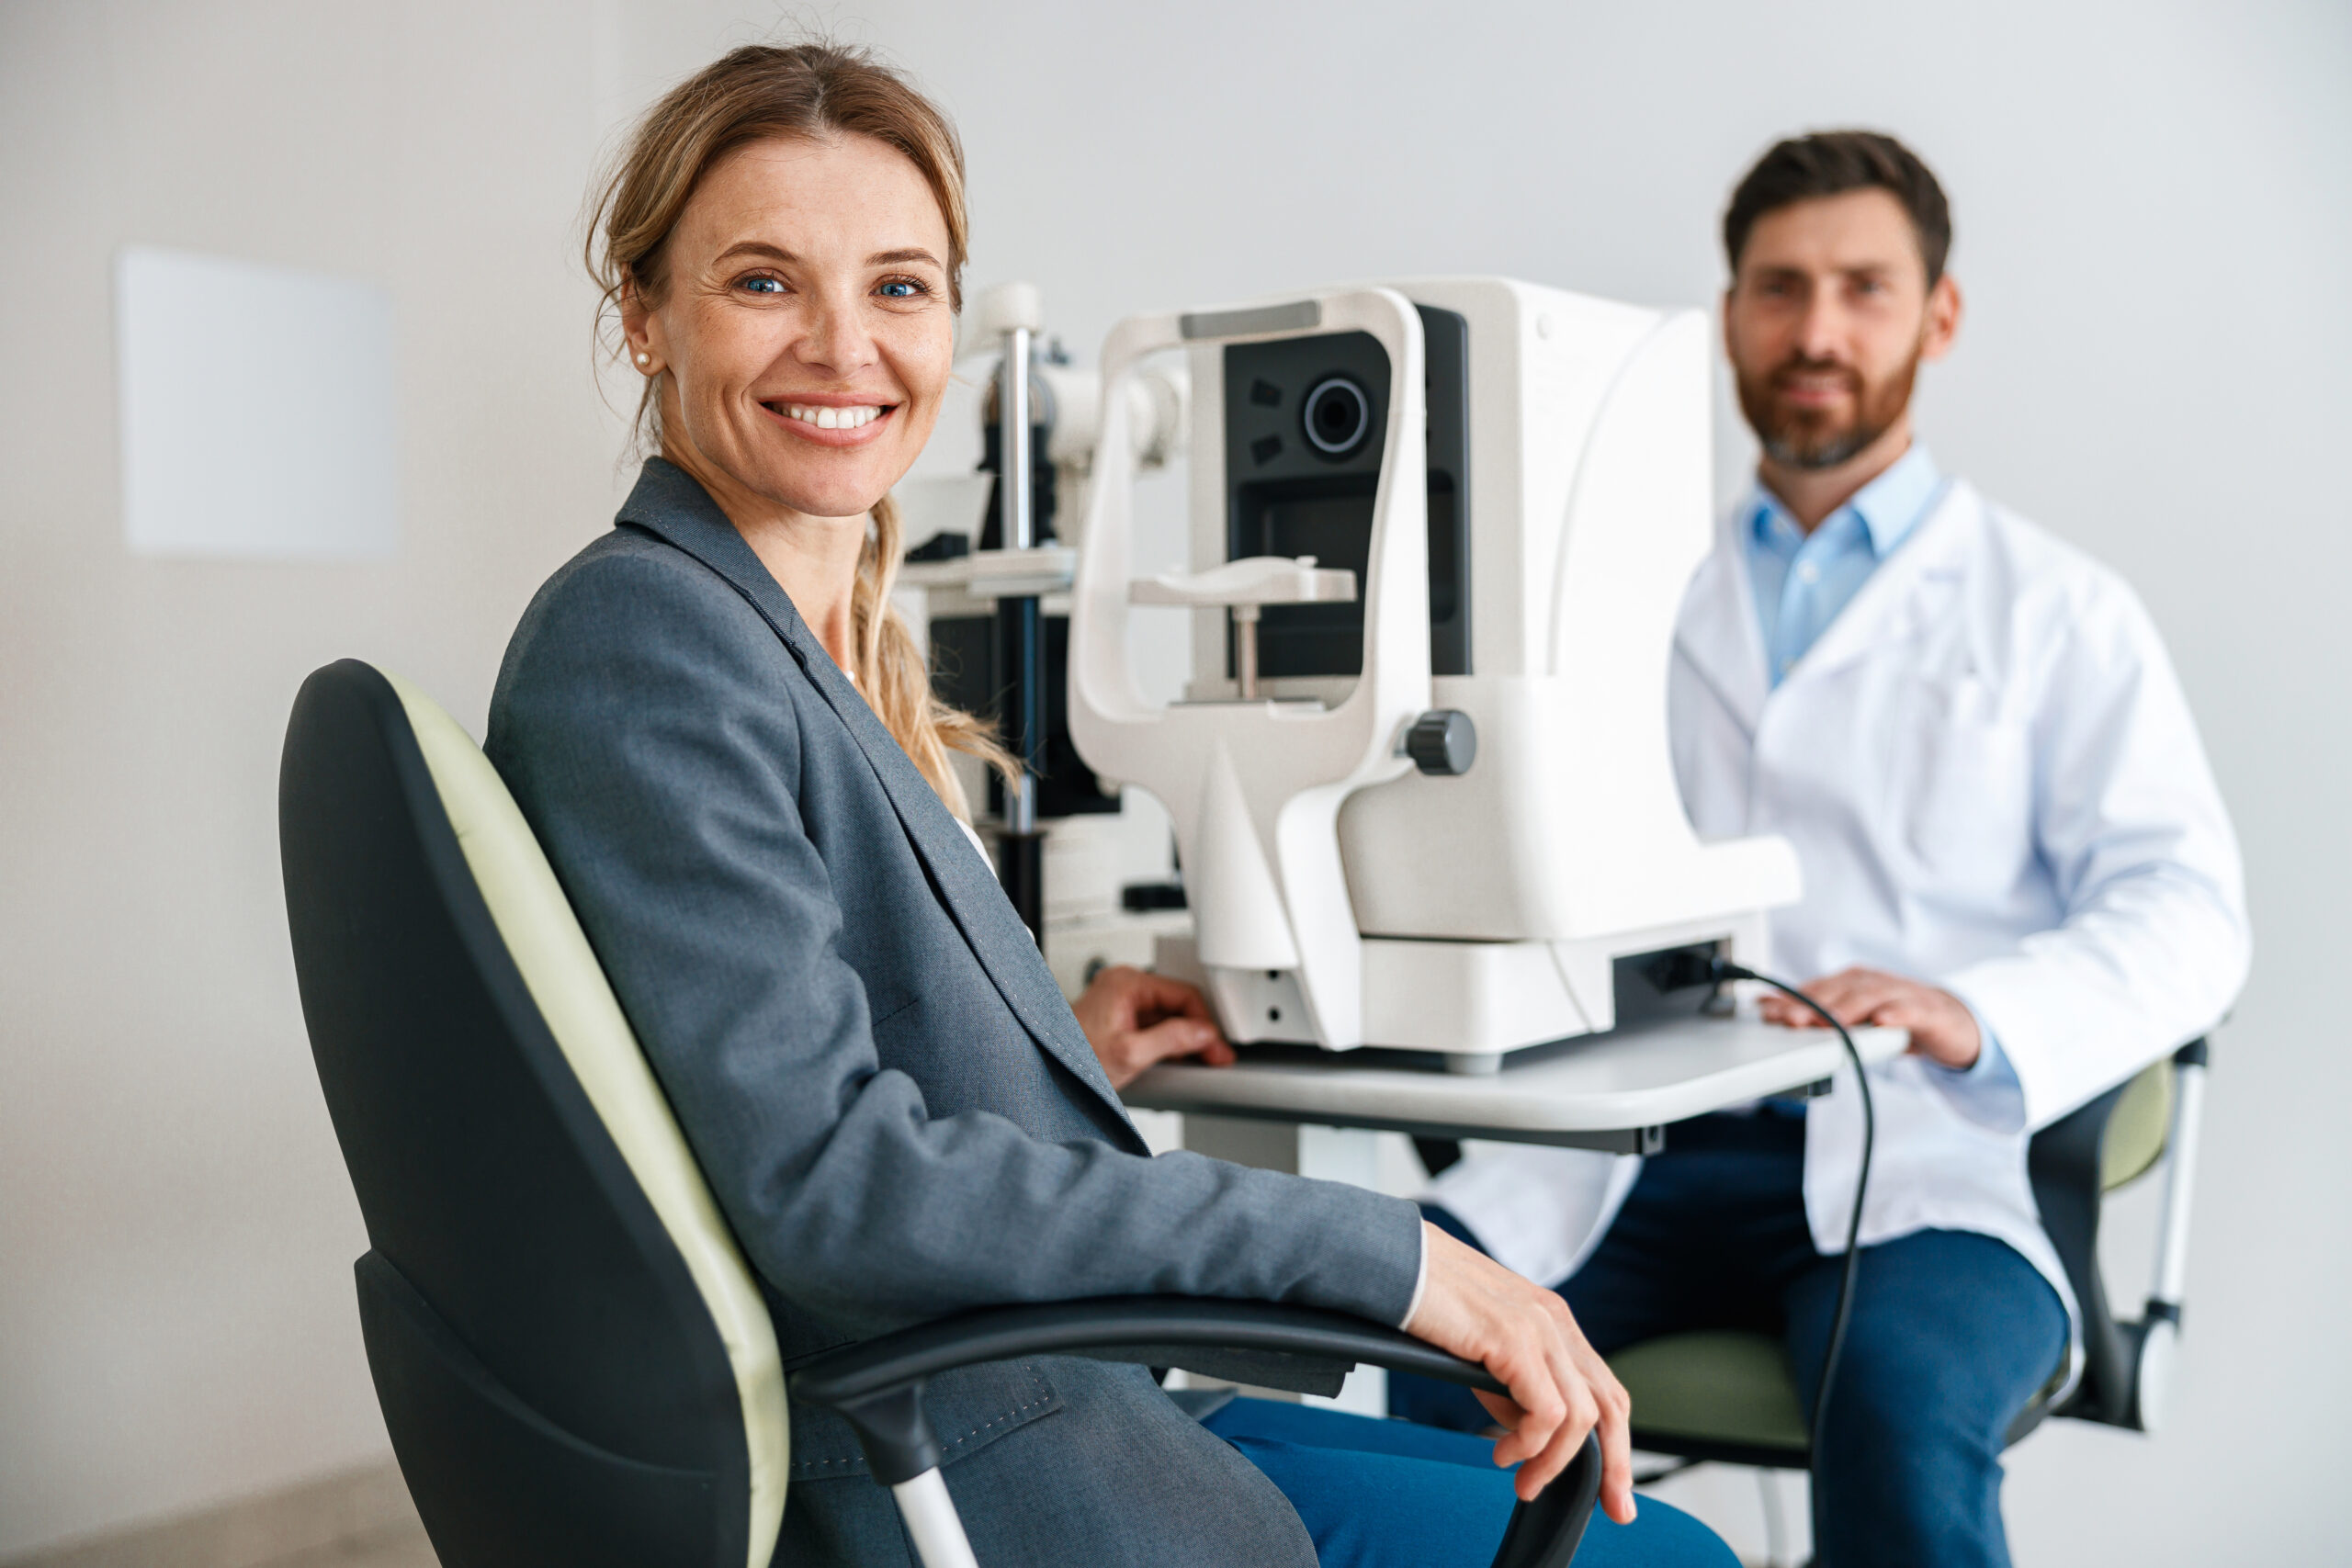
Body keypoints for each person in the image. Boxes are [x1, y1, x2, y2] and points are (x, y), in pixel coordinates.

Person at [484, 41, 1734, 1568]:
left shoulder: (803, 637)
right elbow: (829, 1185)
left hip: (1043, 1386)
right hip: (954, 1458)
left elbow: (770, 1073)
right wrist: (1389, 1258)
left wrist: (1054, 1045)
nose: (843, 347)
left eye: (897, 286)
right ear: (645, 315)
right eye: (763, 282)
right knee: (1663, 1557)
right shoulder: (651, 640)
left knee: (1574, 1484)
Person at [1391, 131, 2249, 1567]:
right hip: (1635, 1155)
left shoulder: (2056, 612)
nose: (1818, 332)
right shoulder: (1616, 603)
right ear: (1730, 316)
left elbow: (2190, 908)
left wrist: (1978, 1013)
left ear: (1939, 314)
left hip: (1917, 1167)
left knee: (1900, 1427)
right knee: (1409, 1380)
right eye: (1780, 289)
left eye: (1864, 288)